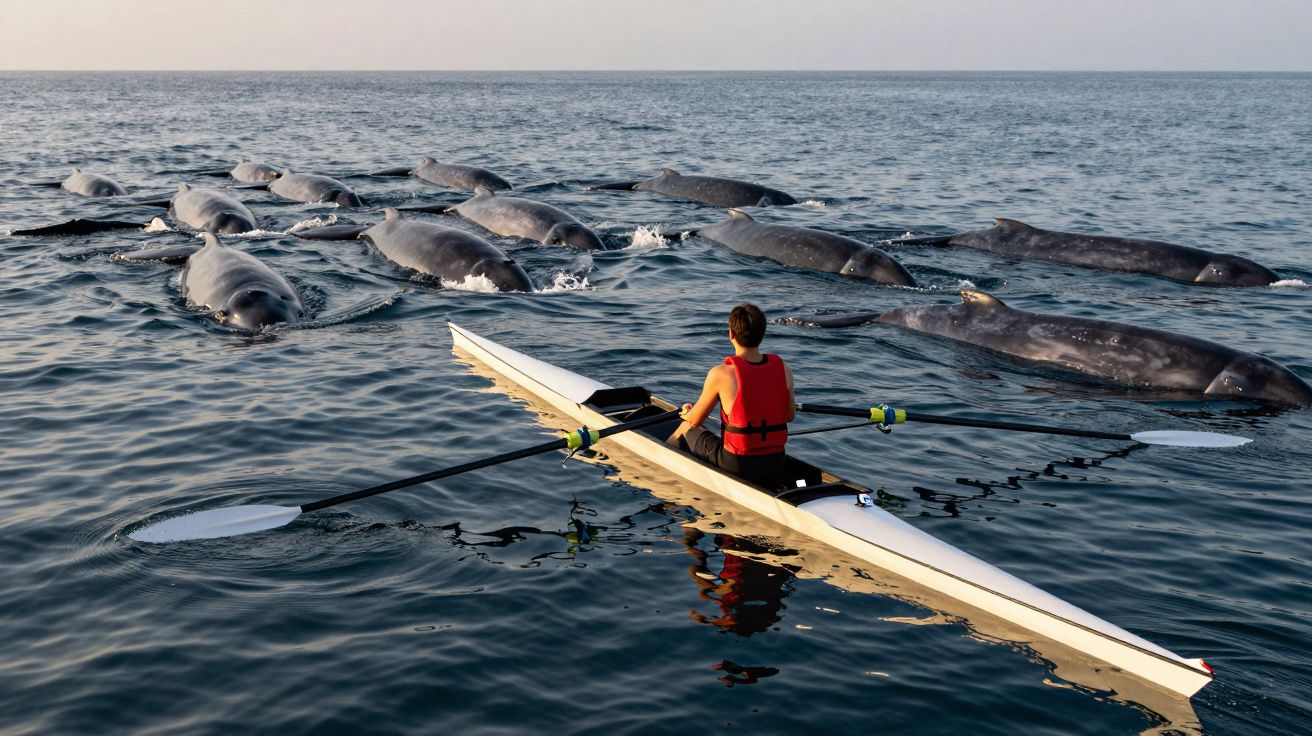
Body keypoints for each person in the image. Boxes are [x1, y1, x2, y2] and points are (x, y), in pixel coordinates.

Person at [667, 303, 795, 487]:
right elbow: (789, 416)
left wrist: (686, 412)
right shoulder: (784, 369)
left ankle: (662, 473)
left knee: (685, 429)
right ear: (762, 334)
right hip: (775, 462)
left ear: (731, 334)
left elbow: (695, 421)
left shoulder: (721, 374)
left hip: (737, 463)